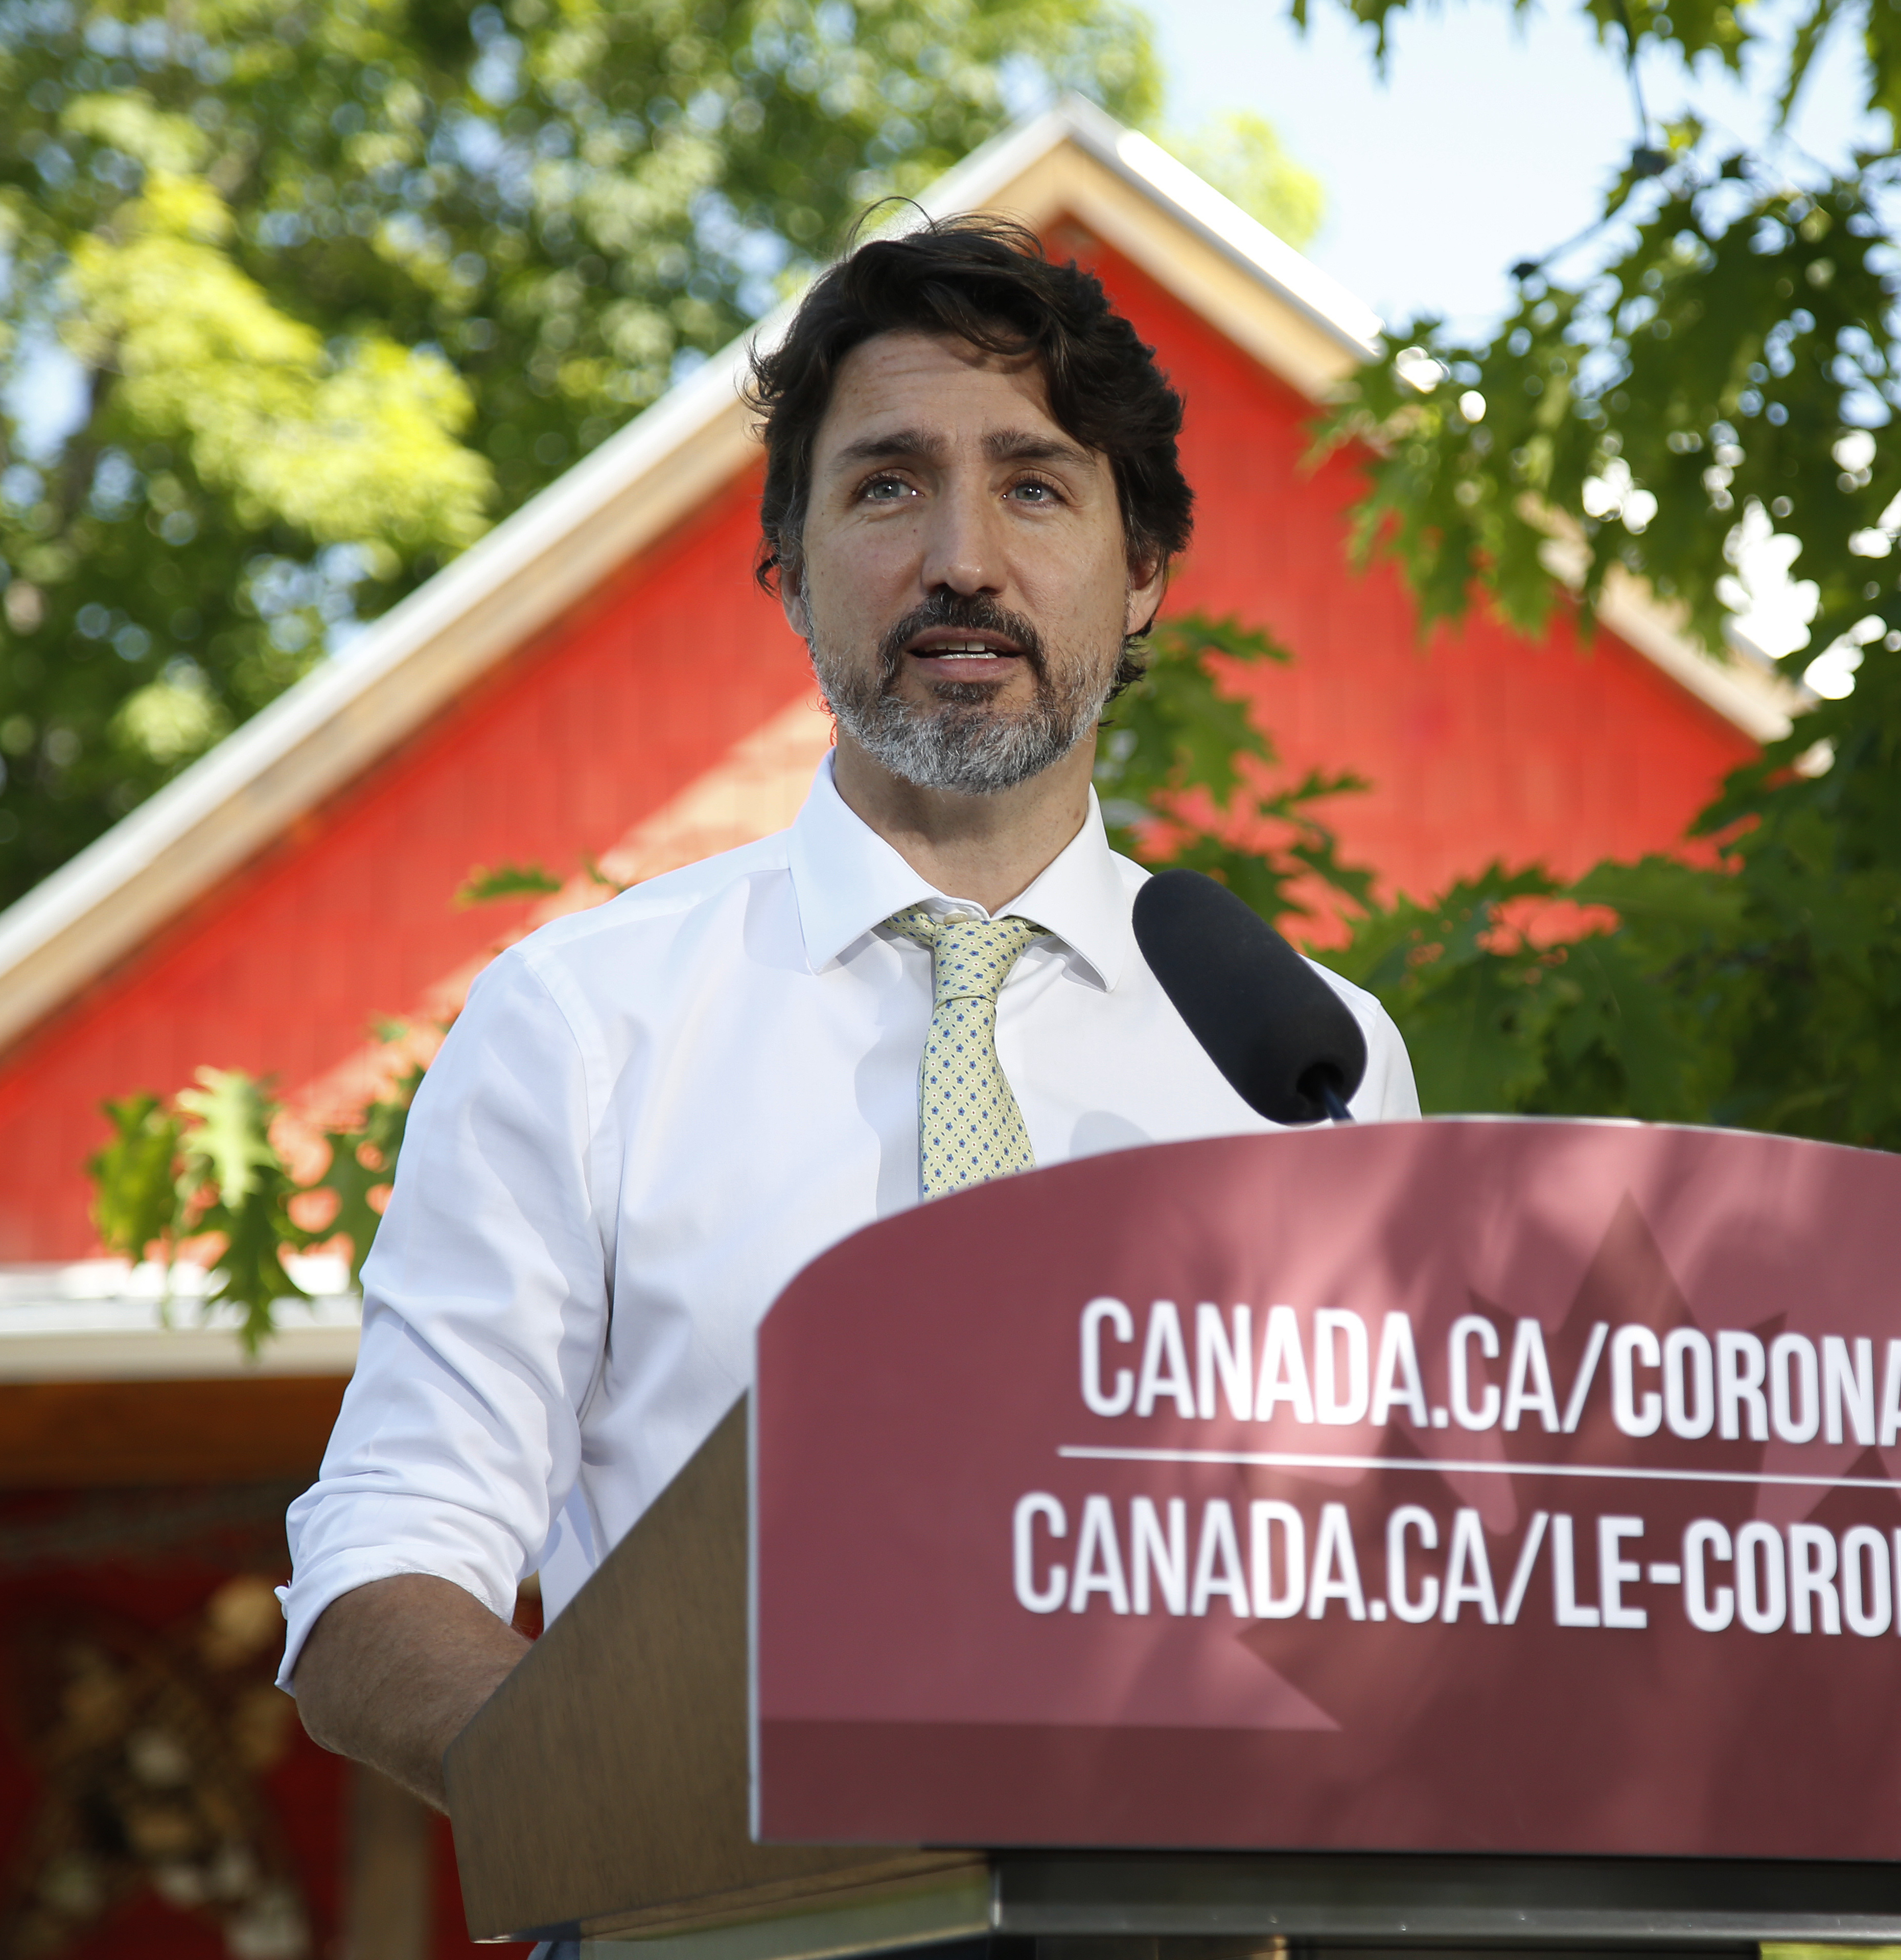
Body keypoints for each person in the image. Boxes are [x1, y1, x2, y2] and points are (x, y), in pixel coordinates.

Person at [279, 214, 1422, 1808]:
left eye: (1034, 485)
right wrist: (640, 1813)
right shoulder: (583, 1021)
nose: (963, 559)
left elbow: (1398, 1588)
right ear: (792, 571)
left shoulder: (1312, 1061)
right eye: (886, 485)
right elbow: (382, 1563)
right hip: (720, 1902)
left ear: (1142, 573)